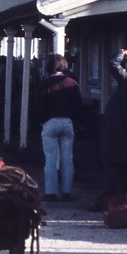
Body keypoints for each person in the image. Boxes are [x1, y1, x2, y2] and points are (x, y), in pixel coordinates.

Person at [89, 49, 127, 212]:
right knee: (124, 169)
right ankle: (122, 200)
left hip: (117, 132)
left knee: (112, 167)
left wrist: (121, 52)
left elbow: (113, 64)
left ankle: (103, 202)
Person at [34, 54, 82, 202]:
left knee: (51, 158)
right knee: (67, 158)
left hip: (50, 122)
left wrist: (41, 121)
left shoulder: (44, 84)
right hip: (67, 122)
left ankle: (51, 192)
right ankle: (67, 192)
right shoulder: (72, 83)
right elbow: (78, 106)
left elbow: (38, 107)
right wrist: (75, 123)